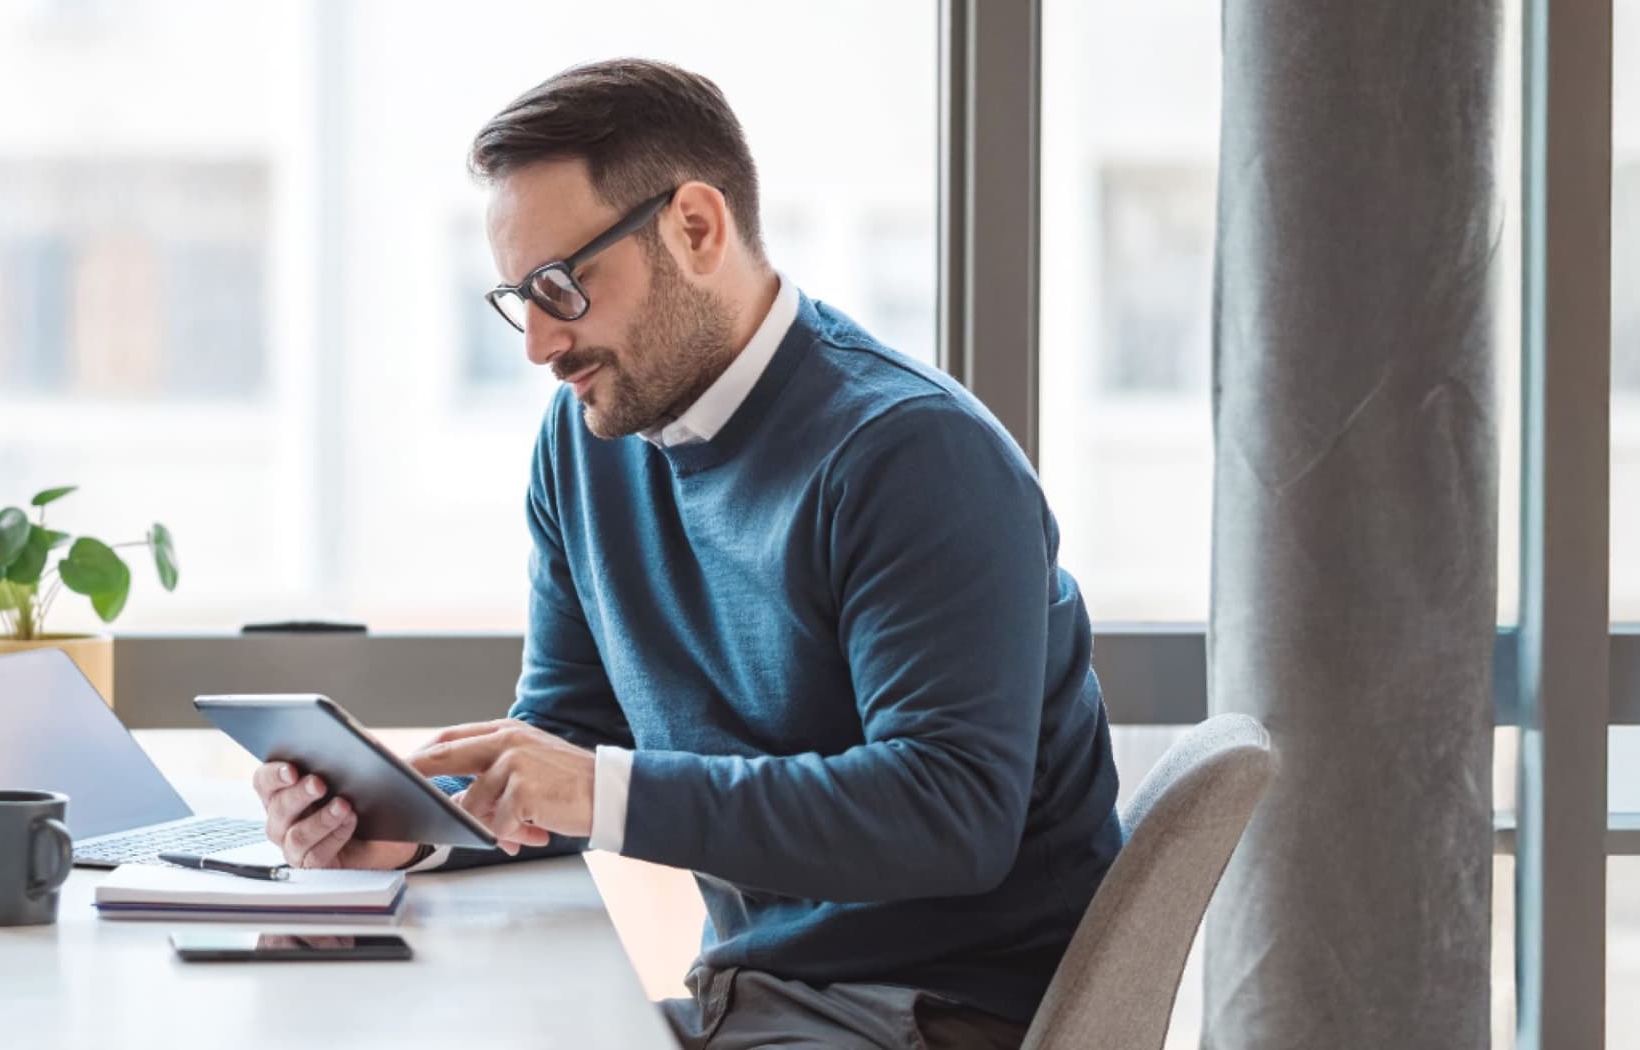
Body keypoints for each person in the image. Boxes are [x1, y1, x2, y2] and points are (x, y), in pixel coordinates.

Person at [245, 58, 1122, 1050]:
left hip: (929, 1018)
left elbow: (948, 813)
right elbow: (572, 728)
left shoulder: (914, 456)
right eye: (514, 299)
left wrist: (595, 786)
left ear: (695, 229)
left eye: (562, 287)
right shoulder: (587, 440)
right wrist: (413, 824)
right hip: (756, 1002)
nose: (537, 343)